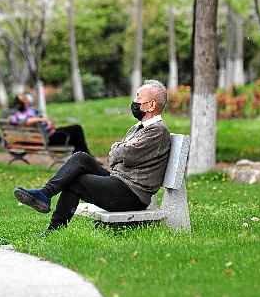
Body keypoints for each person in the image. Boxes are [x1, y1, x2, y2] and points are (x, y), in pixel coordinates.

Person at [13, 80, 171, 231]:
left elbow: (127, 155)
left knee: (77, 181)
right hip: (119, 181)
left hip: (132, 195)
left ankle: (54, 230)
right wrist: (119, 151)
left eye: (138, 97)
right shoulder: (138, 128)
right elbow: (114, 157)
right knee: (81, 157)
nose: (134, 101)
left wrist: (118, 149)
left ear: (151, 105)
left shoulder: (157, 131)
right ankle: (45, 194)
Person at [9, 94, 91, 154]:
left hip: (48, 134)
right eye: (24, 98)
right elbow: (25, 121)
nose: (27, 99)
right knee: (76, 130)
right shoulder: (18, 115)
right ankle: (85, 157)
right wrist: (42, 119)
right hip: (47, 139)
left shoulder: (27, 111)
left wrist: (49, 123)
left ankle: (82, 156)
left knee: (76, 130)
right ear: (21, 103)